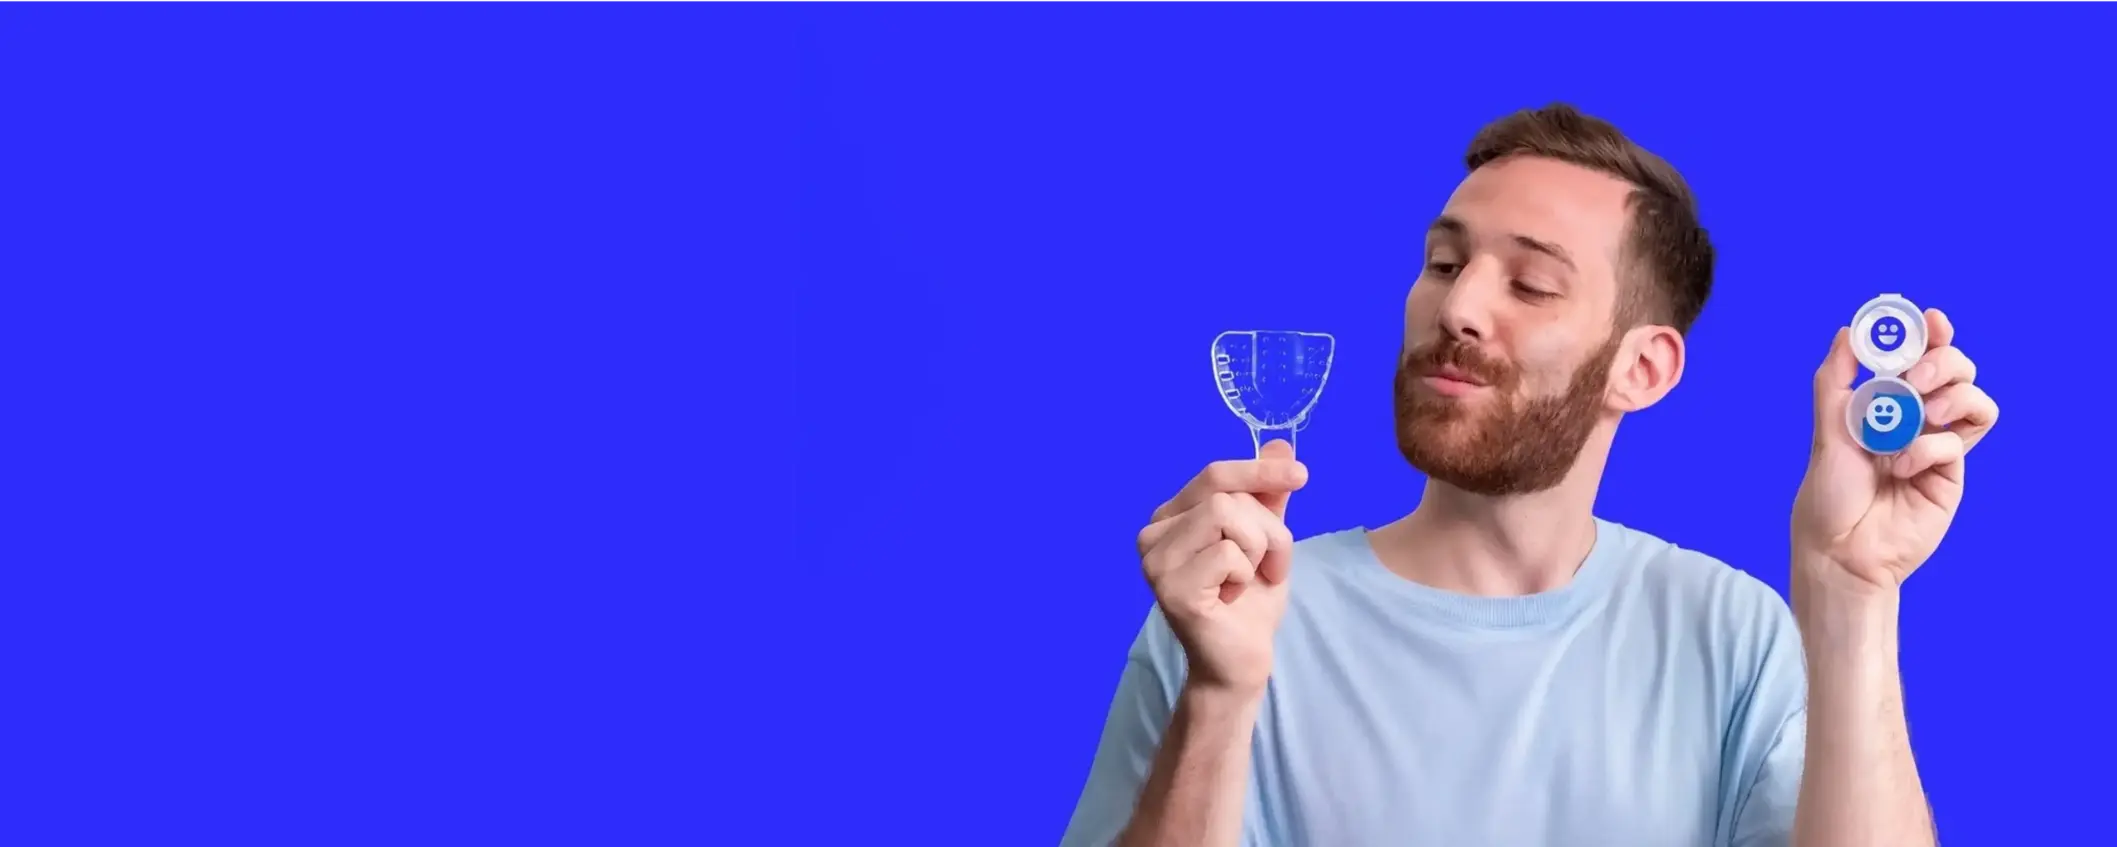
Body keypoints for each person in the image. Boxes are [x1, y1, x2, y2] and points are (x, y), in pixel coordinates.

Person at [1057, 103, 2001, 847]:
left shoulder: (1732, 633)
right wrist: (1219, 698)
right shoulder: (1233, 611)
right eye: (1442, 261)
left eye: (1531, 284)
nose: (1457, 304)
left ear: (1644, 369)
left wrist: (1849, 592)